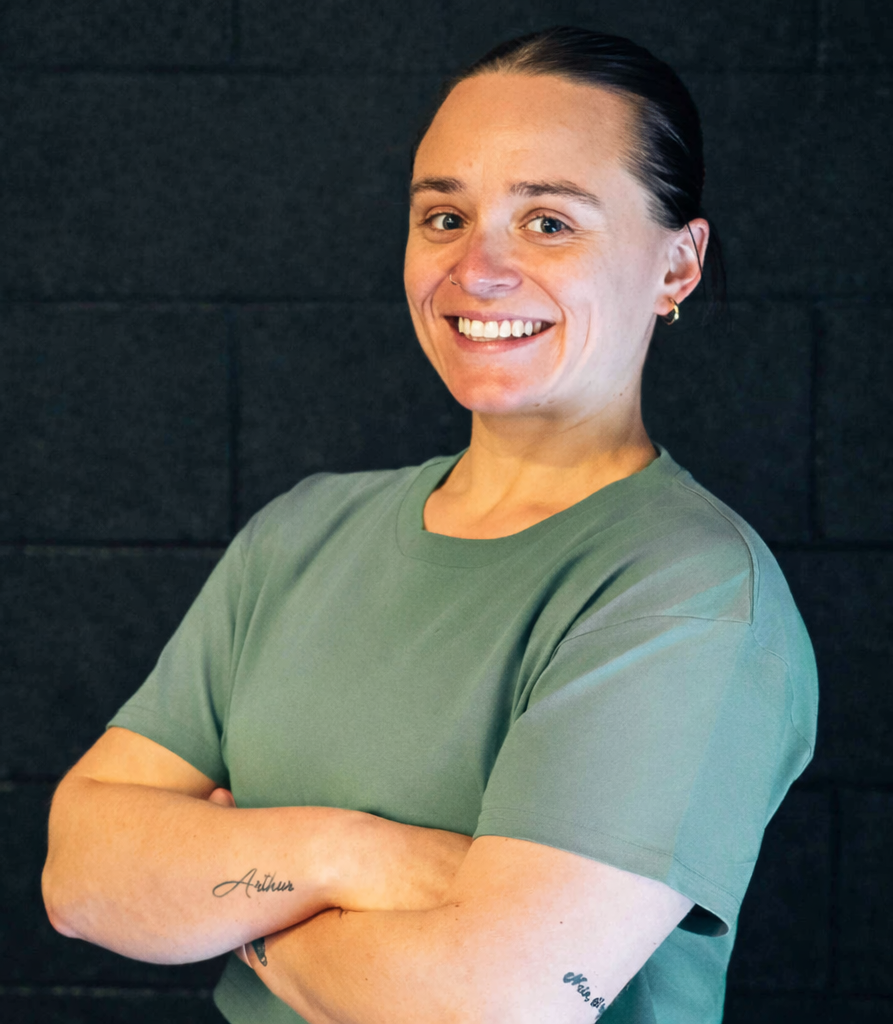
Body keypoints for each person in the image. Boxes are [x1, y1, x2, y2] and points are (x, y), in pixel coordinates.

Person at [41, 25, 817, 1024]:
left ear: (677, 266)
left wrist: (225, 899)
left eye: (548, 223)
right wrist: (350, 853)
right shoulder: (305, 532)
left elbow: (488, 1004)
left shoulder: (687, 592)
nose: (477, 270)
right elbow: (82, 874)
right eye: (444, 216)